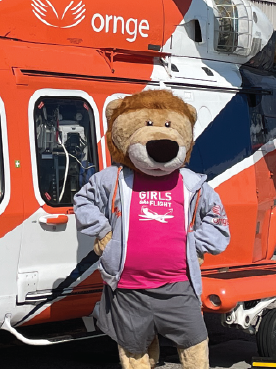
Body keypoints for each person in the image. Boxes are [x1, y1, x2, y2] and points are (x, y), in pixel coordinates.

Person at [74, 90, 229, 369]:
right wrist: (102, 232)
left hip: (178, 285)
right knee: (134, 350)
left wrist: (197, 245)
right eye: (147, 125)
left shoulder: (191, 183)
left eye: (169, 127)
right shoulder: (114, 179)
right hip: (128, 287)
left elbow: (218, 218)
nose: (161, 139)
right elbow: (83, 200)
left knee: (194, 342)